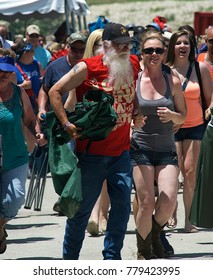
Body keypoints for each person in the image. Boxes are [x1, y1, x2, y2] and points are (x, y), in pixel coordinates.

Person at [48, 22, 142, 260]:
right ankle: (69, 262)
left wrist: (136, 113)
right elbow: (54, 91)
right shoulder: (86, 68)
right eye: (119, 45)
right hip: (91, 155)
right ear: (106, 45)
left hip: (121, 154)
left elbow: (132, 94)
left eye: (128, 45)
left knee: (121, 211)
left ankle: (112, 259)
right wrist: (66, 124)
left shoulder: (132, 63)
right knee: (80, 213)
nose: (124, 49)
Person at [130, 33, 186, 260]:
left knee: (169, 199)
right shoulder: (134, 80)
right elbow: (125, 114)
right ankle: (143, 252)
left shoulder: (172, 80)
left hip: (166, 149)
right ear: (141, 54)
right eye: (149, 51)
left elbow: (183, 116)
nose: (154, 54)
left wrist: (173, 115)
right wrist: (135, 119)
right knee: (145, 201)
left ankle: (153, 234)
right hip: (140, 148)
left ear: (165, 53)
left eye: (158, 50)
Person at [165, 30, 213, 233]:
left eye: (186, 43)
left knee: (191, 173)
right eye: (178, 43)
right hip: (173, 127)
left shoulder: (199, 68)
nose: (182, 46)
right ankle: (171, 211)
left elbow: (211, 97)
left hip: (195, 127)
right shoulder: (165, 70)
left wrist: (209, 108)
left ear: (192, 46)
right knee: (173, 174)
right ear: (172, 47)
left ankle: (189, 219)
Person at [0, 48, 46, 254]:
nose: (3, 75)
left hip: (15, 156)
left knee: (15, 199)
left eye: (7, 72)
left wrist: (38, 133)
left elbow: (29, 118)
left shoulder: (18, 93)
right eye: (0, 70)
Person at [78, 28, 110, 236]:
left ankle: (102, 215)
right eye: (99, 43)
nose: (103, 47)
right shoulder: (84, 68)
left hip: (113, 126)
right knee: (95, 174)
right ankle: (93, 215)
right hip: (90, 129)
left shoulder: (117, 67)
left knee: (107, 175)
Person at [12, 42, 42, 154]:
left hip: (36, 104)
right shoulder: (14, 68)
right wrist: (22, 86)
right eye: (31, 50)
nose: (33, 52)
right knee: (28, 134)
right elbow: (8, 88)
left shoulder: (36, 64)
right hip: (22, 107)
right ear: (25, 53)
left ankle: (35, 159)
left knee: (38, 133)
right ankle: (29, 160)